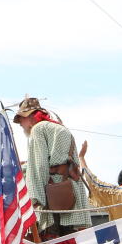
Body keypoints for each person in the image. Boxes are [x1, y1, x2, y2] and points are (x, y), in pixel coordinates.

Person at [12, 97, 90, 234]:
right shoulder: (61, 128)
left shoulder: (38, 129)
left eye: (21, 119)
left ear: (30, 117)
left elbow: (39, 166)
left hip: (54, 195)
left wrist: (34, 199)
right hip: (73, 193)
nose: (20, 124)